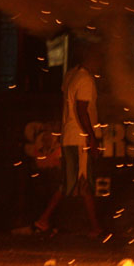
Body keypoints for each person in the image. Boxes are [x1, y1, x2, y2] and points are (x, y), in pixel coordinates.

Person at [33, 43, 103, 236]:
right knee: (73, 183)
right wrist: (92, 138)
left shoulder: (71, 74)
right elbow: (81, 110)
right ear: (90, 59)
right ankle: (44, 219)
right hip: (80, 138)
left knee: (78, 182)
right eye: (98, 58)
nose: (100, 63)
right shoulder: (86, 80)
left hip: (70, 136)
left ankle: (93, 227)